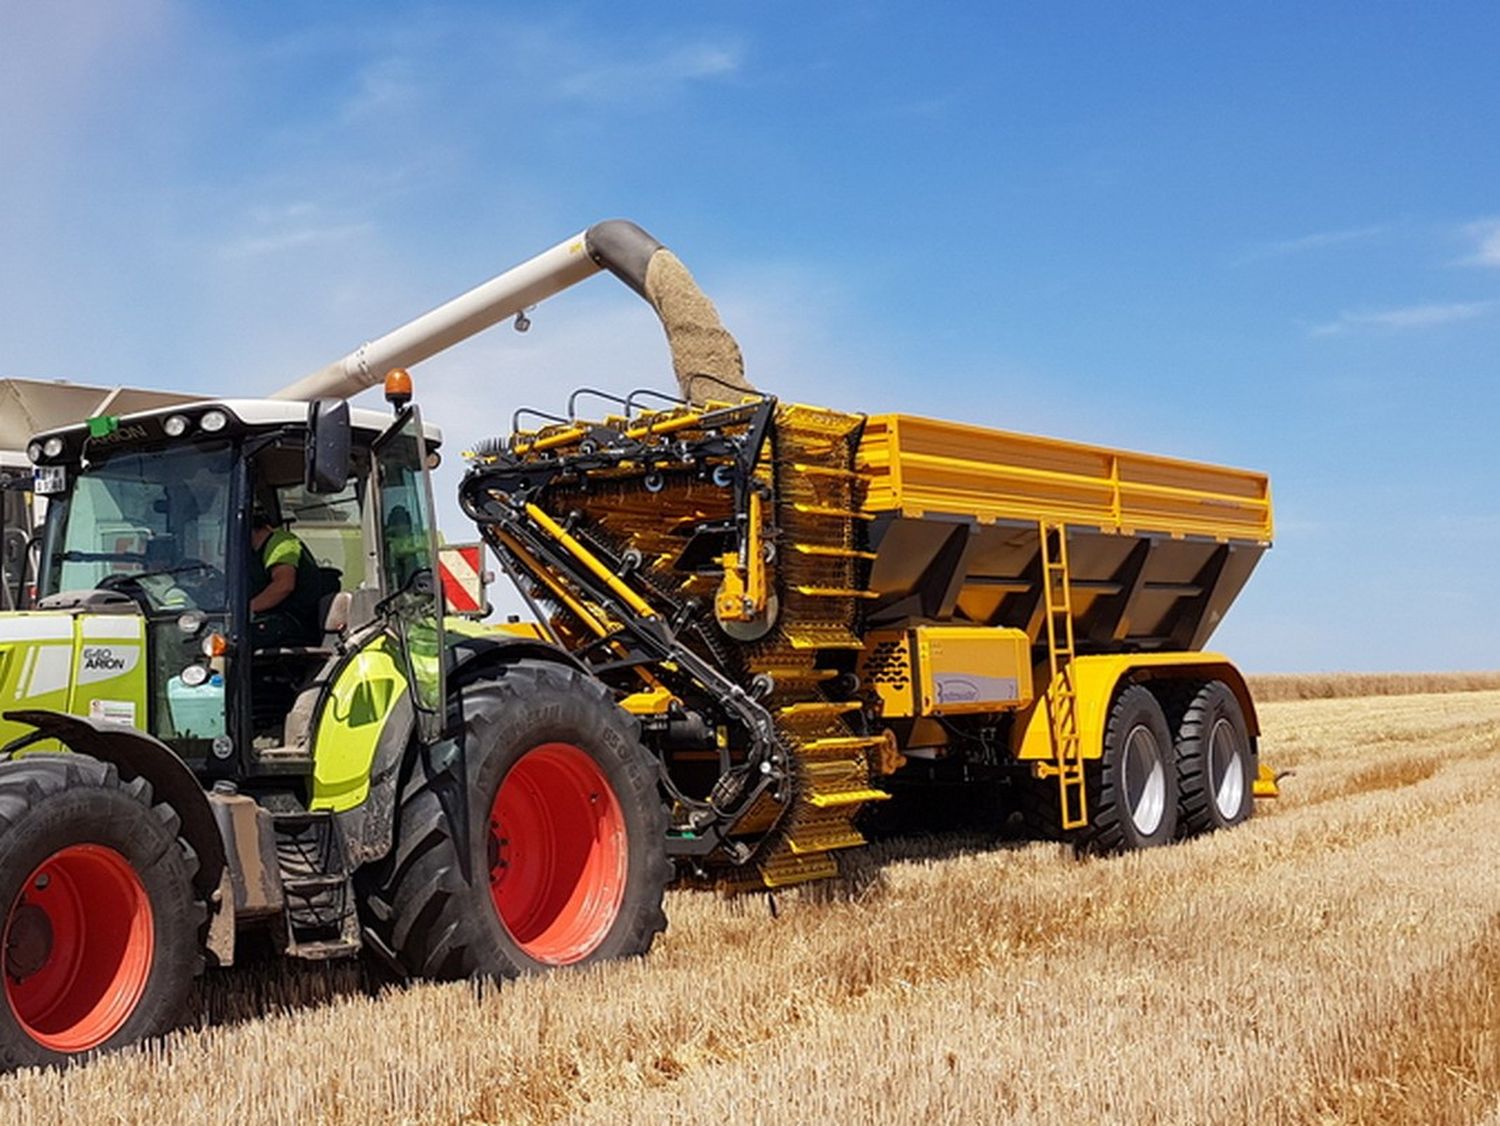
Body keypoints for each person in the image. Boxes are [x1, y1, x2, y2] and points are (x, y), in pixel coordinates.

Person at [249, 510, 324, 648]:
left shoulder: (281, 542)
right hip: (272, 618)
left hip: (295, 620)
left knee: (240, 639)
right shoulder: (252, 554)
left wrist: (246, 609)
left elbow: (284, 585)